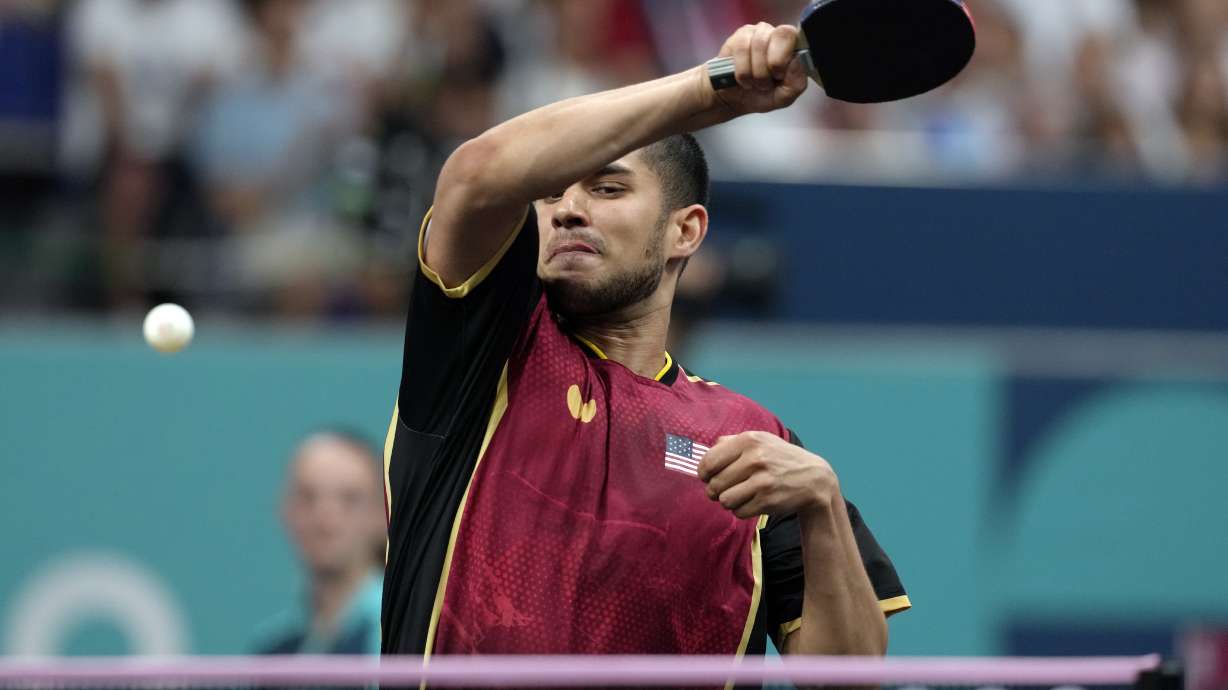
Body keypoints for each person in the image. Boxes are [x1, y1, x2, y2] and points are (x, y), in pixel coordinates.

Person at [382, 22, 910, 662]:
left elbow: (848, 678)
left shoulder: (753, 444)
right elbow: (478, 172)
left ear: (685, 231)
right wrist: (712, 91)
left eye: (608, 188)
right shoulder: (481, 351)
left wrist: (822, 505)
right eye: (551, 194)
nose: (569, 210)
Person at [252, 430, 386, 655]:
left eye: (350, 499)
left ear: (383, 515)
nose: (326, 519)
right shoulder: (272, 649)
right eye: (308, 497)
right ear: (286, 510)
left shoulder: (406, 641)